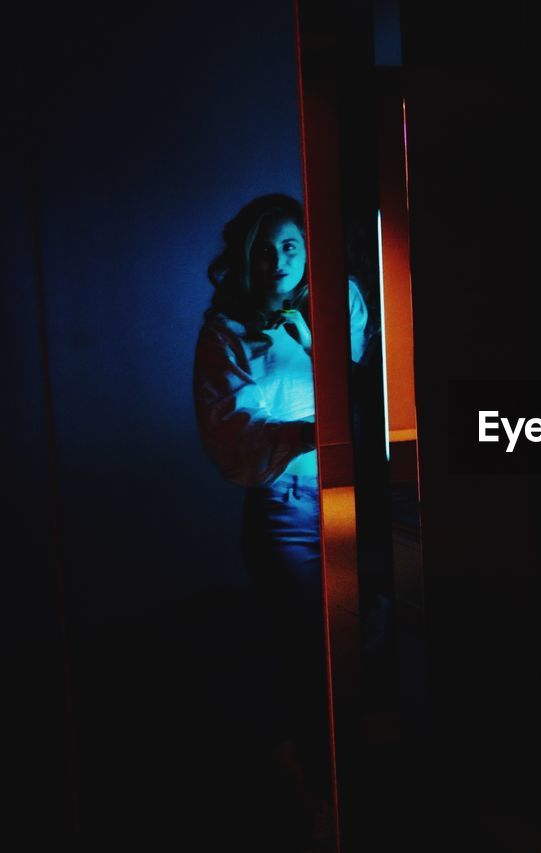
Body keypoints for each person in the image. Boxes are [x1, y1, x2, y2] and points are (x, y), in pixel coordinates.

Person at [192, 193, 368, 847]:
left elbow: (362, 381)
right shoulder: (226, 331)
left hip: (349, 498)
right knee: (306, 650)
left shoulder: (339, 299)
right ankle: (319, 791)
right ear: (244, 255)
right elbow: (228, 430)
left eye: (290, 246)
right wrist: (304, 433)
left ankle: (332, 776)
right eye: (265, 249)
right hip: (283, 508)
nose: (277, 261)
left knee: (353, 646)